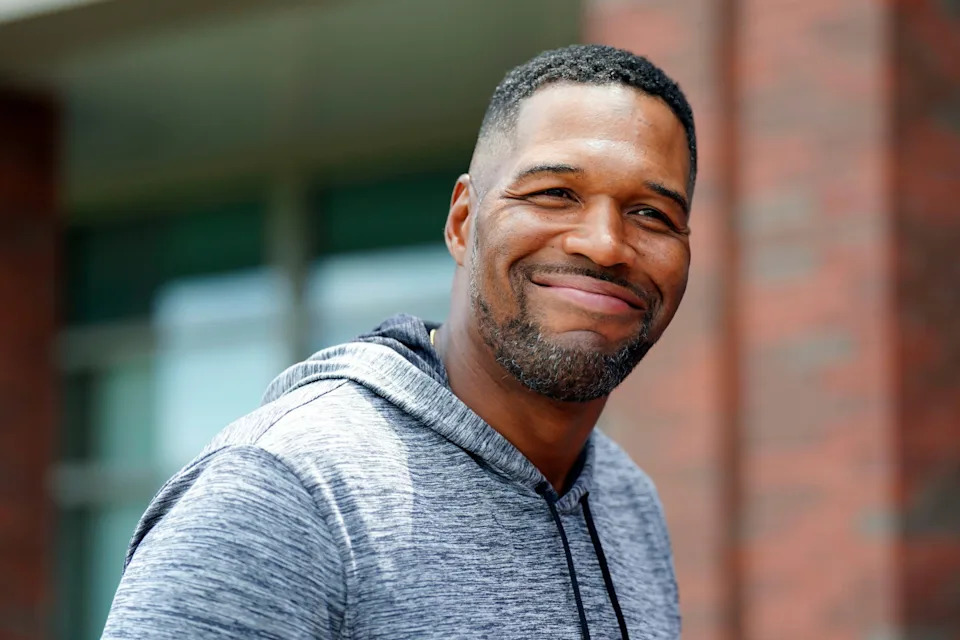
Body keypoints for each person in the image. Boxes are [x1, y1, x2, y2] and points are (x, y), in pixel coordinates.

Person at [102, 43, 696, 640]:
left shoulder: (627, 503)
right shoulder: (281, 491)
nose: (605, 244)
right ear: (464, 223)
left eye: (652, 214)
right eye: (554, 193)